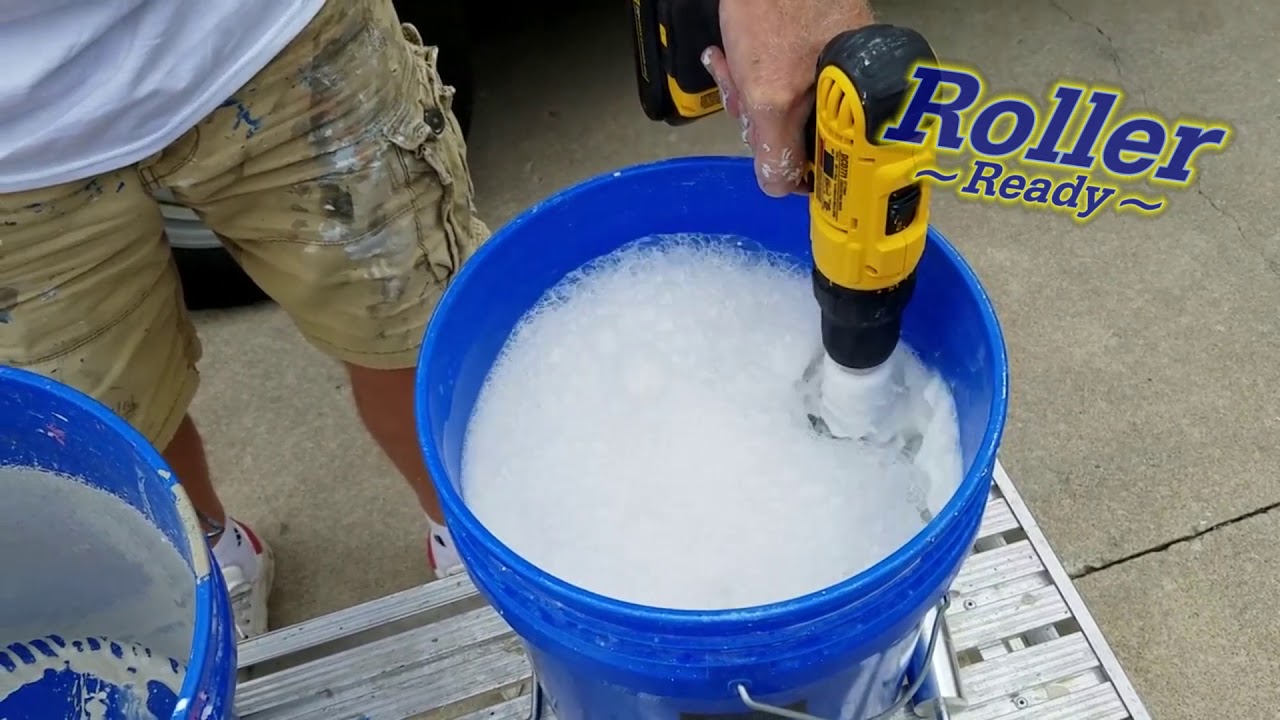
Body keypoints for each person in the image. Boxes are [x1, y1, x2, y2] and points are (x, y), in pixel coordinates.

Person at [0, 0, 876, 640]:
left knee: (416, 330)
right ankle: (212, 557)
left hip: (273, 34)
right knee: (104, 418)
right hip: (16, 135)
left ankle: (470, 538)